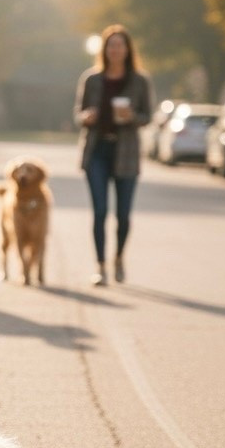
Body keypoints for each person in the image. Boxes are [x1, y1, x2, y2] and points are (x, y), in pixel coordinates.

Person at [74, 24, 153, 286]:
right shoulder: (92, 79)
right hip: (97, 150)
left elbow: (148, 116)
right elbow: (79, 113)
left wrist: (132, 116)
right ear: (104, 49)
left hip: (126, 152)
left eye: (120, 45)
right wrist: (86, 117)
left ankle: (118, 256)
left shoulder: (139, 81)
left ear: (127, 49)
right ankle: (100, 266)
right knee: (99, 211)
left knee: (123, 215)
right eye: (111, 45)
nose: (115, 49)